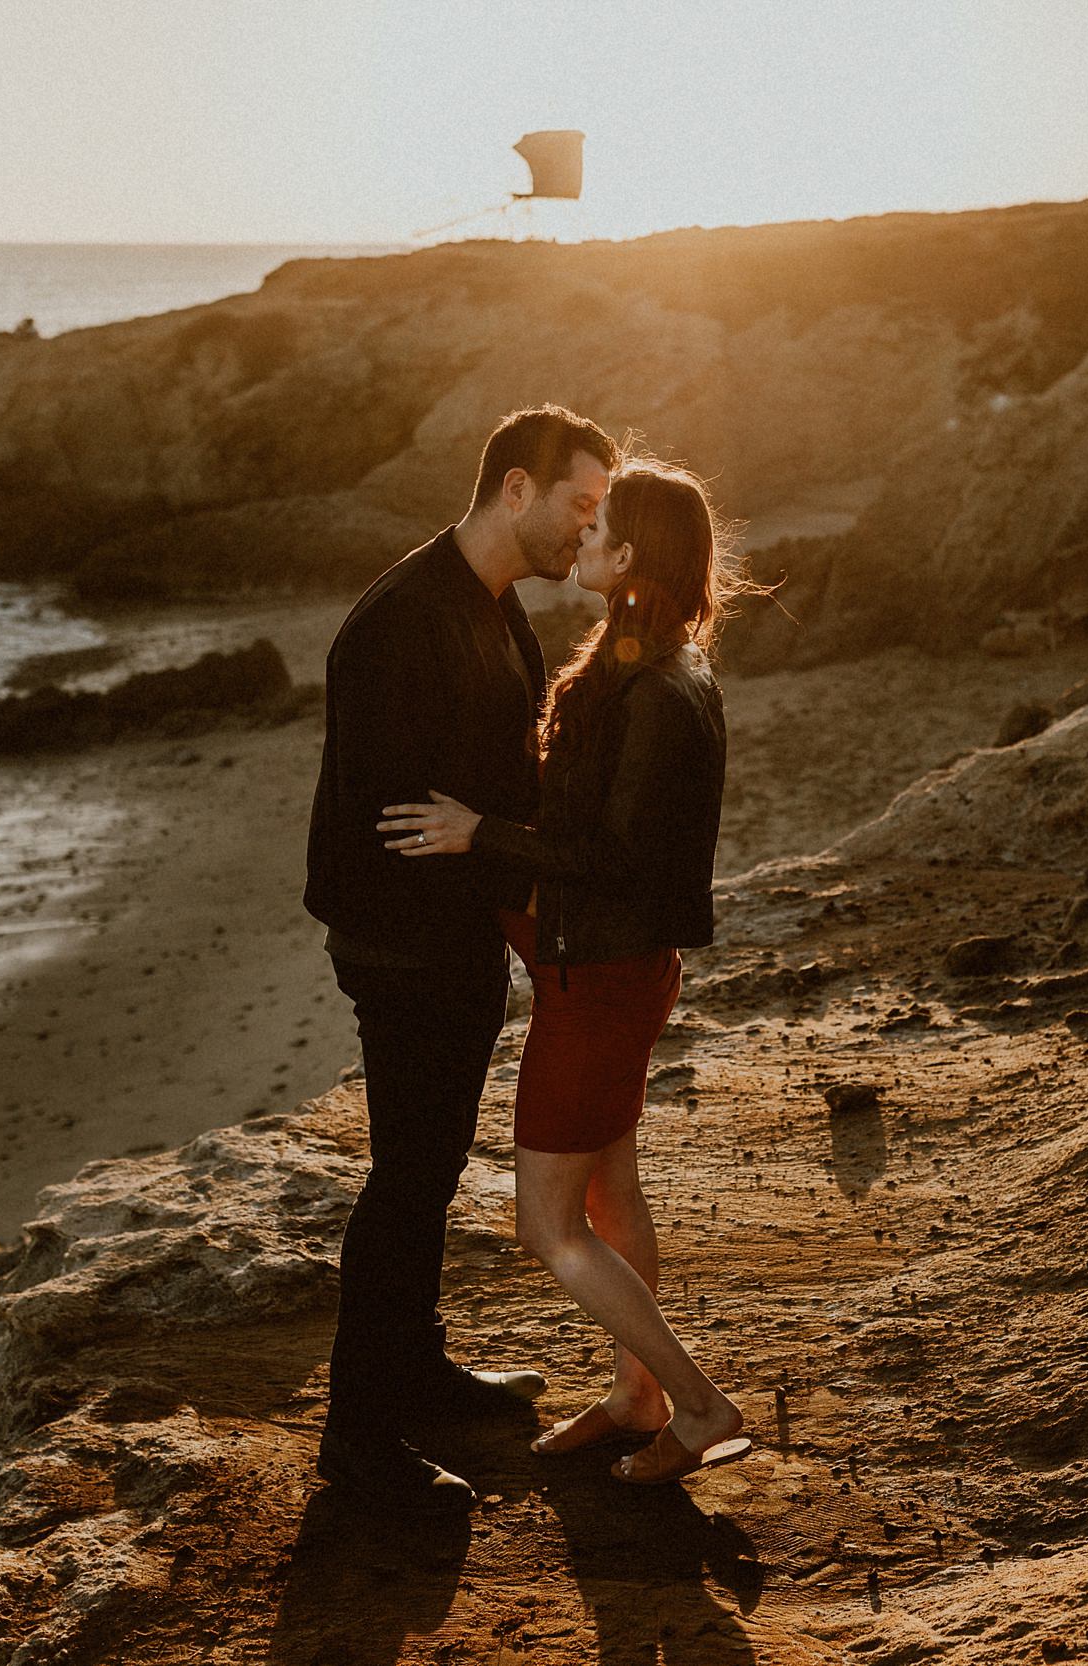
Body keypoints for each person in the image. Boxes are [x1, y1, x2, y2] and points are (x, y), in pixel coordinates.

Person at [378, 459, 750, 1485]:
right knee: (613, 1194)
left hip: (600, 988)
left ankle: (699, 1404)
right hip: (607, 975)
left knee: (547, 1225)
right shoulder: (647, 658)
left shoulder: (659, 690)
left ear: (629, 556)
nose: (582, 534)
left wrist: (478, 832)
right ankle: (637, 1397)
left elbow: (616, 859)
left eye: (598, 525)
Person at [302, 404, 617, 1512]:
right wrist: (509, 853)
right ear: (517, 488)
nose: (590, 529)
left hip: (457, 935)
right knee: (406, 1178)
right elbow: (403, 818)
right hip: (399, 944)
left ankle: (416, 1367)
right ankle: (357, 1436)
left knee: (429, 1169)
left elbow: (495, 786)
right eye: (580, 504)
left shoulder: (496, 606)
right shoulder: (402, 619)